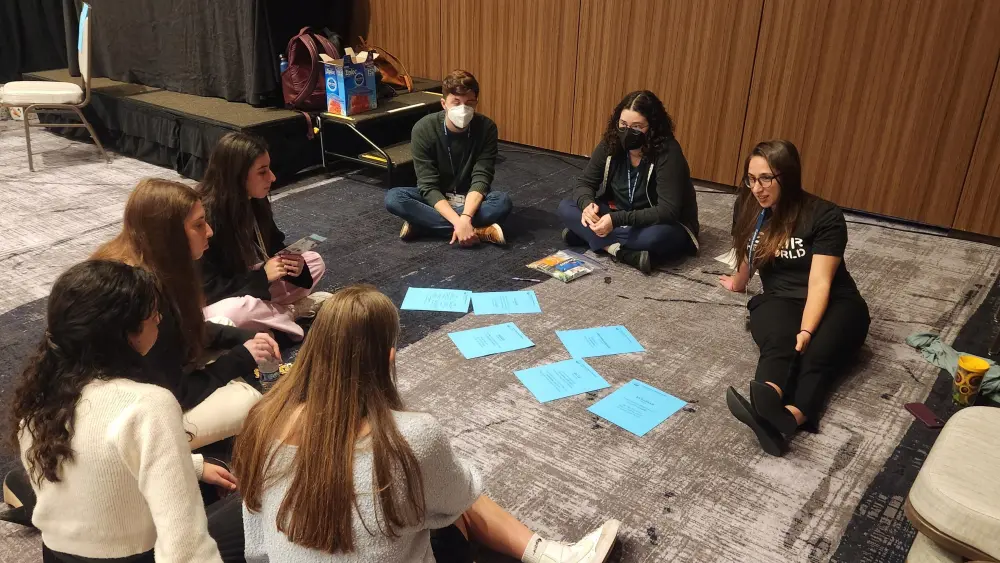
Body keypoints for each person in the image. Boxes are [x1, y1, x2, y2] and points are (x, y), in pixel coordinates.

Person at [232, 285, 620, 563]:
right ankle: (550, 555)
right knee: (451, 500)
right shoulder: (409, 437)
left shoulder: (259, 421)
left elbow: (259, 548)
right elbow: (459, 498)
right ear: (388, 359)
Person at [9, 260, 244, 562]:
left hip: (57, 554)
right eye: (152, 314)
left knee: (208, 474)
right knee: (247, 506)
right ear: (125, 333)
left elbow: (100, 453)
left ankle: (18, 489)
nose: (159, 319)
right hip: (137, 555)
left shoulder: (39, 394)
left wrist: (193, 466)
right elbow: (185, 546)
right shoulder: (148, 404)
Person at [93, 179, 279, 450]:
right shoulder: (141, 295)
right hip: (133, 417)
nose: (210, 232)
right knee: (249, 402)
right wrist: (240, 358)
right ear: (168, 234)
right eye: (198, 224)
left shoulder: (150, 262)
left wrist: (246, 337)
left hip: (155, 380)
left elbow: (187, 329)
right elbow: (174, 393)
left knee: (226, 325)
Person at [719, 140, 870, 457]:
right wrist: (739, 280)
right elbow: (747, 245)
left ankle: (791, 417)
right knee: (778, 341)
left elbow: (819, 283)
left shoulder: (823, 215)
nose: (756, 188)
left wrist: (807, 331)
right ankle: (769, 400)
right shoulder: (748, 205)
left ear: (786, 177)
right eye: (751, 178)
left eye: (765, 179)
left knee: (815, 354)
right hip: (780, 299)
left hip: (835, 301)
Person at [198, 132, 330, 341]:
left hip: (252, 283)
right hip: (218, 301)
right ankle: (290, 313)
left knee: (314, 262)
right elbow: (208, 290)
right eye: (262, 172)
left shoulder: (254, 200)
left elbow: (273, 246)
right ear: (238, 176)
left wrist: (293, 266)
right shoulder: (205, 217)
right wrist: (262, 277)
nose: (273, 177)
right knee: (236, 311)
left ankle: (270, 318)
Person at [557, 91, 699, 274]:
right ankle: (621, 252)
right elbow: (585, 182)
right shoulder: (611, 142)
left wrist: (616, 220)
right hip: (620, 214)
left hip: (657, 222)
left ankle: (590, 236)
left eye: (637, 127)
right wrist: (587, 205)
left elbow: (667, 211)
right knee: (566, 207)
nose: (627, 132)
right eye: (623, 124)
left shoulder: (668, 153)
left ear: (653, 127)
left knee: (657, 237)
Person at [384, 69, 511, 247]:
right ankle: (479, 231)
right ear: (444, 104)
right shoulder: (424, 129)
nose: (463, 109)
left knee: (502, 201)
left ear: (476, 104)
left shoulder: (486, 128)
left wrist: (466, 216)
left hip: (469, 198)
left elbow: (482, 177)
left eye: (469, 103)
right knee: (394, 198)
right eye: (456, 102)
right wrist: (460, 223)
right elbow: (427, 185)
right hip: (437, 195)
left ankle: (424, 226)